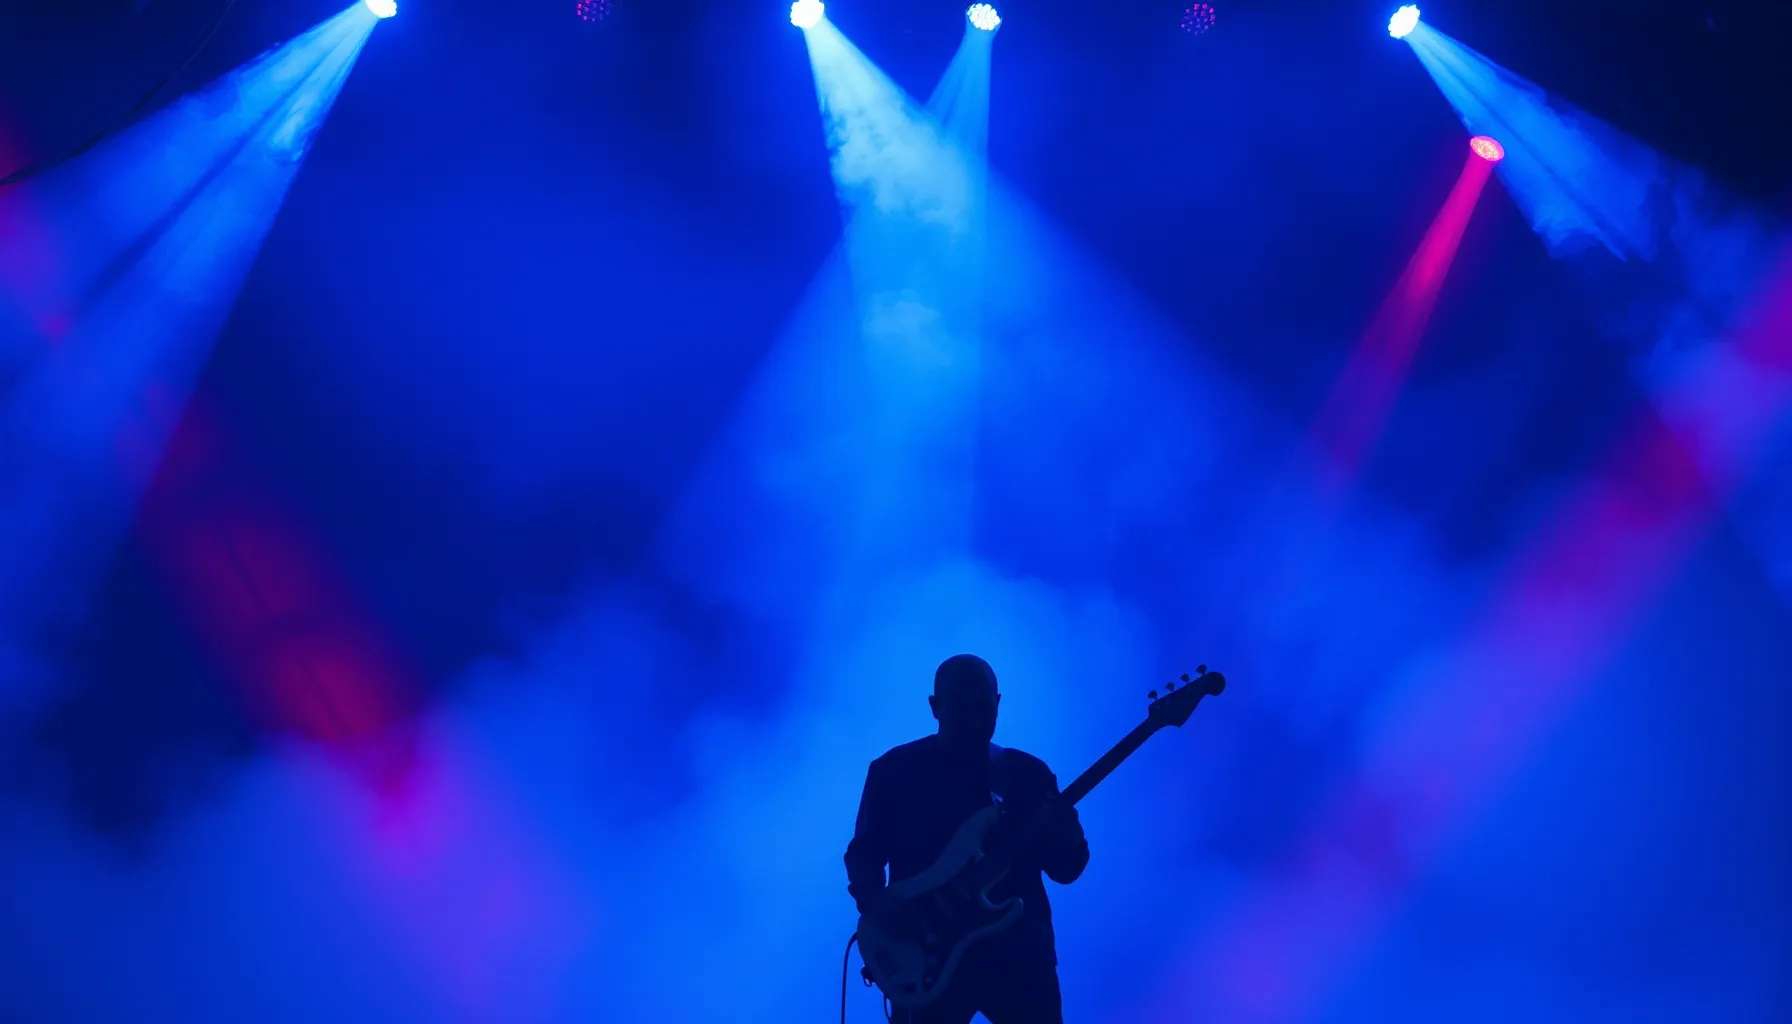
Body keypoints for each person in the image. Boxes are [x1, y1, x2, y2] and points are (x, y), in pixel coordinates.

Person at [845, 654, 1090, 1024]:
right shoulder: (893, 772)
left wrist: (1070, 837)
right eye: (961, 710)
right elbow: (864, 854)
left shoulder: (1028, 774)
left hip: (1019, 958)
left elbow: (1065, 870)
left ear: (998, 703)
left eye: (984, 709)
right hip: (927, 955)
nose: (975, 722)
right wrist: (879, 905)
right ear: (934, 707)